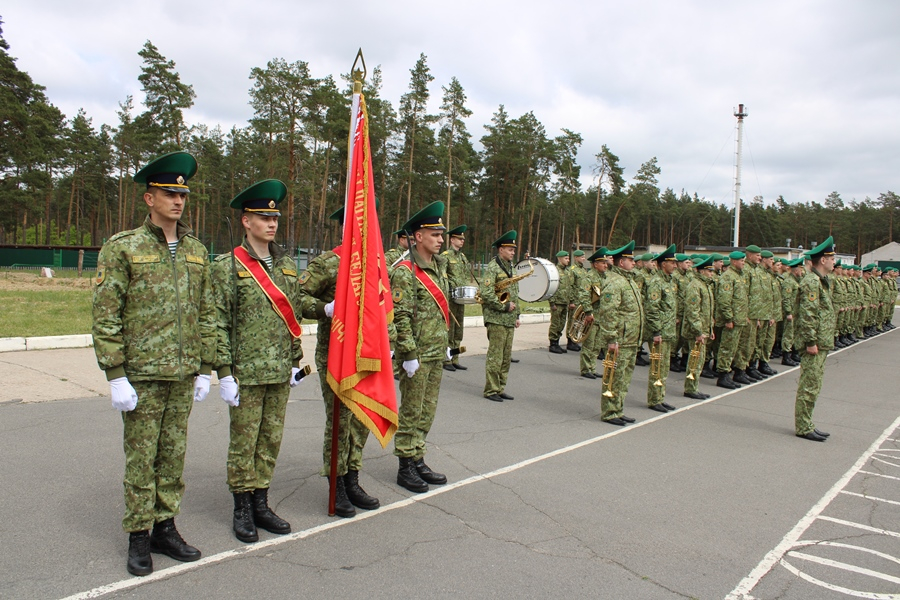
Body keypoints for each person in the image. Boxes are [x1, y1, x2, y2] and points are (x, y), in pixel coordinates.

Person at [92, 151, 214, 576]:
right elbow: (107, 314)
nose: (178, 200)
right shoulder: (123, 247)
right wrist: (115, 375)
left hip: (183, 372)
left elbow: (206, 312)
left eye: (182, 193)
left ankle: (165, 526)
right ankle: (138, 536)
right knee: (142, 460)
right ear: (149, 198)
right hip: (142, 374)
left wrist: (205, 365)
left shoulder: (197, 251)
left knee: (173, 456)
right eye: (168, 193)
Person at [211, 179, 303, 543]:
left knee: (270, 440)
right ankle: (242, 507)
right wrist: (223, 372)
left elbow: (292, 314)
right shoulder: (227, 266)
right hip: (245, 373)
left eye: (274, 217)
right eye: (263, 217)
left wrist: (296, 360)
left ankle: (261, 502)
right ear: (246, 221)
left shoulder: (287, 265)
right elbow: (217, 321)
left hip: (279, 371)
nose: (271, 223)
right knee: (244, 443)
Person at [297, 207, 378, 519]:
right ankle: (337, 483)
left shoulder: (374, 264)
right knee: (340, 421)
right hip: (336, 355)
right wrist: (325, 309)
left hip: (366, 353)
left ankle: (352, 477)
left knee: (360, 419)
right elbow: (298, 298)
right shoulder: (328, 262)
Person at [391, 201, 451, 492]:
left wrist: (447, 343)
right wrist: (409, 353)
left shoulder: (439, 267)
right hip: (416, 355)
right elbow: (399, 317)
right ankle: (405, 465)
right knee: (412, 410)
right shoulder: (404, 271)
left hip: (436, 351)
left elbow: (441, 311)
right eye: (435, 234)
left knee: (428, 410)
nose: (441, 239)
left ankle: (418, 456)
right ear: (418, 236)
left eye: (441, 234)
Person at [794, 237, 837, 442]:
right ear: (822, 260)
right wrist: (811, 341)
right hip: (814, 343)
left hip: (821, 342)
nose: (834, 261)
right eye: (831, 257)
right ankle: (803, 426)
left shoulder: (821, 281)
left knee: (814, 384)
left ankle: (808, 422)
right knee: (809, 385)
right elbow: (808, 314)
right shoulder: (811, 282)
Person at [597, 241, 644, 426]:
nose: (633, 262)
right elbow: (609, 312)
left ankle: (618, 408)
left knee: (624, 377)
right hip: (620, 339)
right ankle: (609, 411)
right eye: (630, 260)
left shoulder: (628, 280)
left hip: (631, 338)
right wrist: (612, 338)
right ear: (621, 262)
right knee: (615, 376)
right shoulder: (615, 282)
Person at [481, 231, 521, 402]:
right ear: (501, 249)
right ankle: (491, 390)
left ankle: (500, 387)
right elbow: (486, 294)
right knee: (495, 356)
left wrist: (517, 314)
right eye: (510, 249)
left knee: (506, 357)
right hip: (496, 318)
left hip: (509, 319)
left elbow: (515, 293)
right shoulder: (493, 267)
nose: (513, 252)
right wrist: (504, 307)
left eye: (513, 249)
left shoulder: (511, 267)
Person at [644, 244, 679, 412]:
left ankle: (660, 397)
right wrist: (656, 331)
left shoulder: (670, 282)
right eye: (672, 262)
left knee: (664, 367)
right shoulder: (656, 282)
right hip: (659, 333)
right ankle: (654, 399)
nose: (675, 265)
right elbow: (652, 308)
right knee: (657, 367)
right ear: (663, 264)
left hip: (668, 331)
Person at [682, 256, 716, 399]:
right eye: (709, 271)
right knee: (695, 359)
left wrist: (710, 329)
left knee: (699, 359)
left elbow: (707, 311)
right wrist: (698, 331)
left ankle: (693, 386)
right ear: (702, 271)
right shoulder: (695, 286)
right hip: (696, 331)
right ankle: (690, 388)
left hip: (703, 329)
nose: (712, 273)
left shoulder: (705, 285)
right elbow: (692, 310)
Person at [715, 251, 749, 390]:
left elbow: (741, 299)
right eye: (741, 261)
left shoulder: (739, 276)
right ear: (734, 262)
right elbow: (724, 300)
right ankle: (723, 375)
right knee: (727, 348)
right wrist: (728, 318)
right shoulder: (728, 277)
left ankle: (731, 372)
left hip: (739, 319)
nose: (743, 263)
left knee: (735, 348)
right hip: (732, 320)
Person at [442, 224, 472, 372]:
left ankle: (455, 358)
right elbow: (442, 276)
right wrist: (451, 286)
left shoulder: (462, 257)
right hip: (450, 297)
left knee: (458, 329)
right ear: (452, 239)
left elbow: (466, 275)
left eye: (463, 239)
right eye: (459, 239)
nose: (462, 241)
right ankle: (445, 359)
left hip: (461, 297)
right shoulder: (445, 256)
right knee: (449, 329)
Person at [578, 248, 606, 379]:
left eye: (606, 263)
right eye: (603, 263)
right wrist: (588, 312)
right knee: (589, 344)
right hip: (592, 315)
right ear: (595, 264)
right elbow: (584, 296)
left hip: (601, 316)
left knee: (597, 344)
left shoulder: (604, 277)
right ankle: (585, 369)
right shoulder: (589, 277)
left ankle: (592, 368)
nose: (606, 265)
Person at [548, 250, 575, 353]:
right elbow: (552, 288)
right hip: (557, 302)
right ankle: (553, 344)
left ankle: (557, 342)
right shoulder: (555, 271)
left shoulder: (568, 272)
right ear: (559, 259)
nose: (568, 260)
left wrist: (571, 301)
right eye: (566, 258)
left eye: (568, 258)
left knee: (562, 324)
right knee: (555, 323)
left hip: (565, 302)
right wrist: (552, 303)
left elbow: (570, 288)